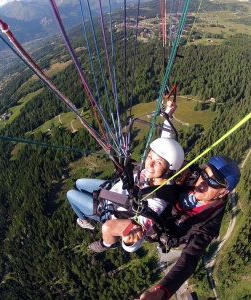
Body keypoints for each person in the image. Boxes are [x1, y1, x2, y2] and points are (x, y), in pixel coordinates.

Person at [66, 101, 184, 252]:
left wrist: (128, 243)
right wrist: (168, 115)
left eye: (158, 162)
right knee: (79, 182)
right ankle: (84, 219)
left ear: (169, 169)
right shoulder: (158, 173)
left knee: (70, 194)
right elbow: (165, 145)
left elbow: (140, 228)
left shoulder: (159, 199)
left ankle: (99, 236)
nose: (150, 163)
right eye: (149, 157)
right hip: (113, 190)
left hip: (109, 210)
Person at [134, 154, 241, 300]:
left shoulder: (209, 224)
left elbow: (189, 259)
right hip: (148, 202)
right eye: (205, 175)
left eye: (214, 183)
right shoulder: (190, 175)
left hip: (160, 229)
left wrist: (161, 292)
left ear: (224, 192)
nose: (203, 183)